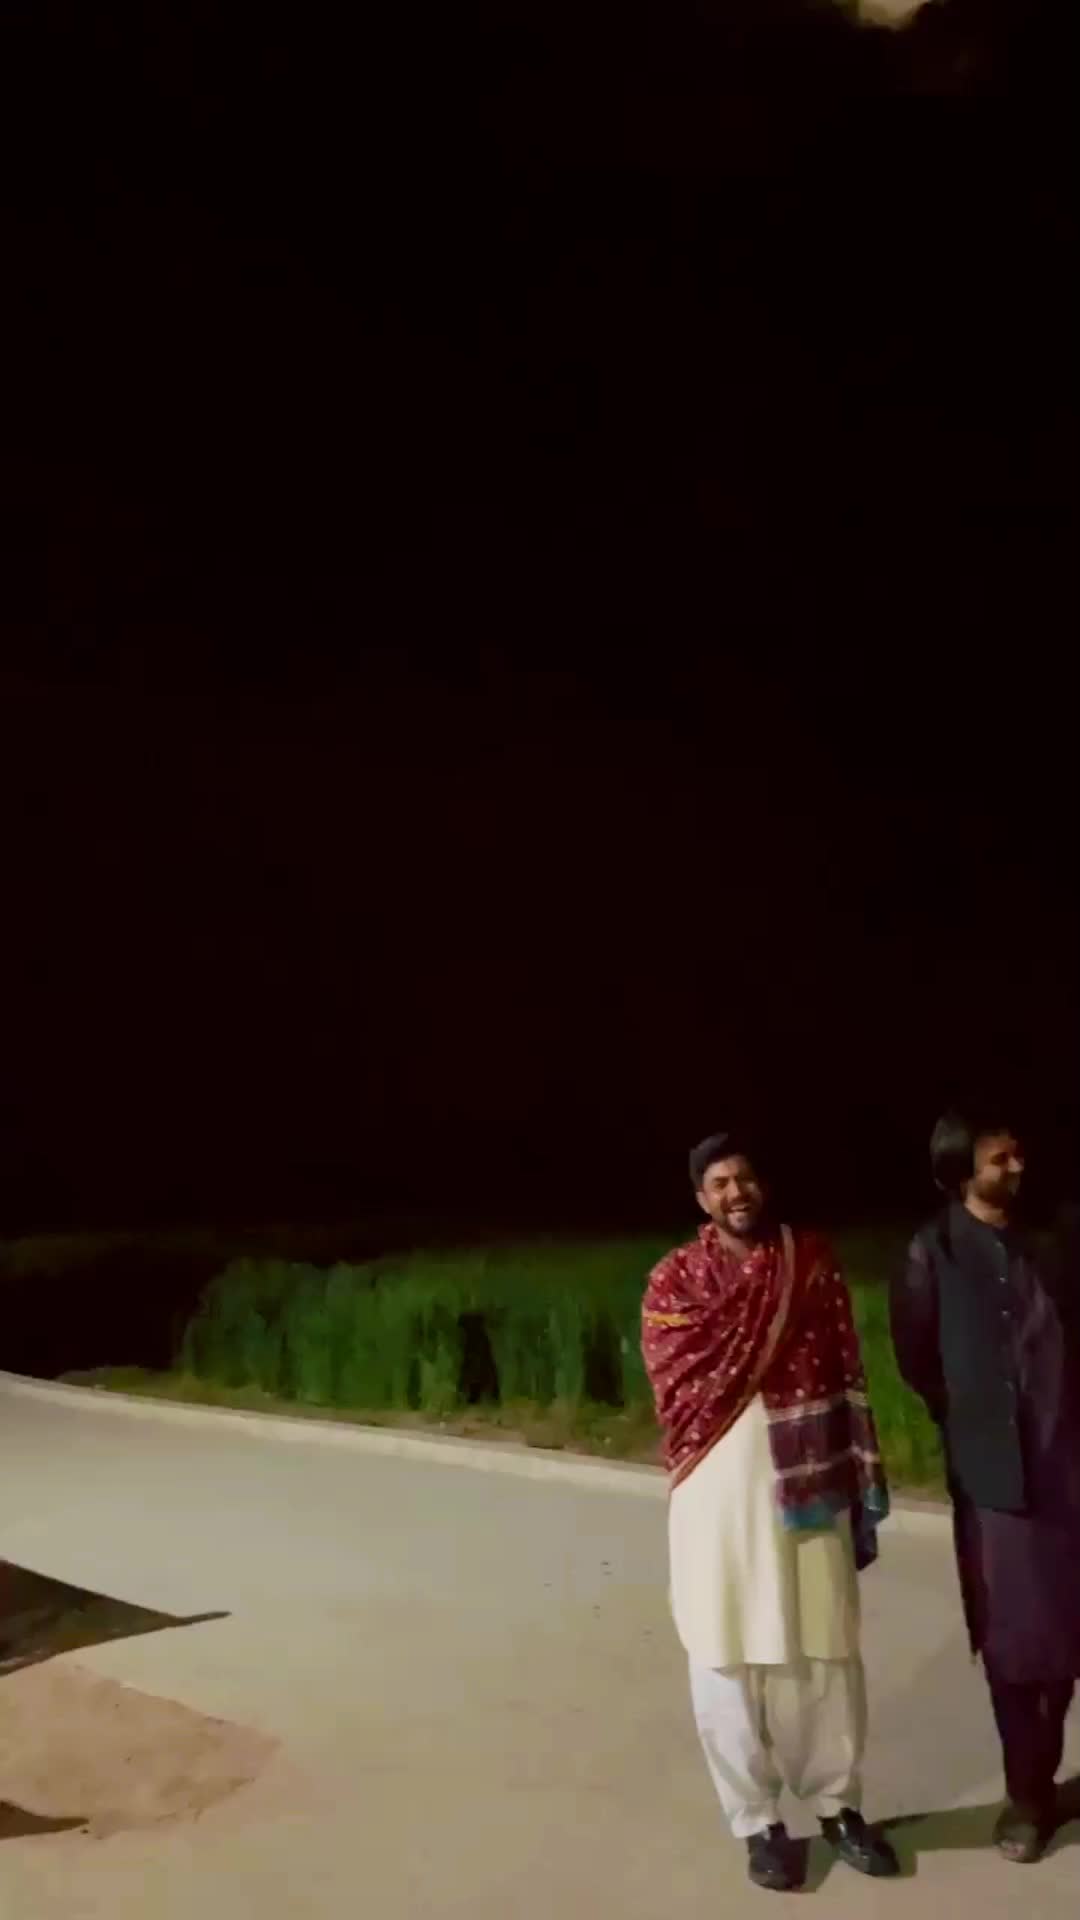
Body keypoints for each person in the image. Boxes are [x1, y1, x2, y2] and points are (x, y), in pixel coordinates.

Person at [641, 1131, 896, 1892]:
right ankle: (756, 1822)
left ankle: (839, 1807)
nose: (735, 1193)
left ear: (763, 1186)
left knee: (825, 1648)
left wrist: (855, 1467)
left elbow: (844, 1363)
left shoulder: (808, 1262)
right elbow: (671, 1377)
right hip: (714, 1490)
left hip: (809, 1480)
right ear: (701, 1199)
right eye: (719, 1183)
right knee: (725, 1652)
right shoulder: (674, 1282)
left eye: (744, 1178)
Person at [891, 1110, 1080, 1864]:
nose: (1017, 1169)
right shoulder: (930, 1253)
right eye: (1001, 1159)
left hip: (1069, 1470)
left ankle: (1043, 1777)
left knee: (1065, 1639)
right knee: (1012, 1646)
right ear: (960, 1170)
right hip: (996, 1480)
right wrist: (974, 1420)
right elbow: (917, 1359)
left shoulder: (1054, 1238)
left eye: (1018, 1155)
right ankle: (1026, 1798)